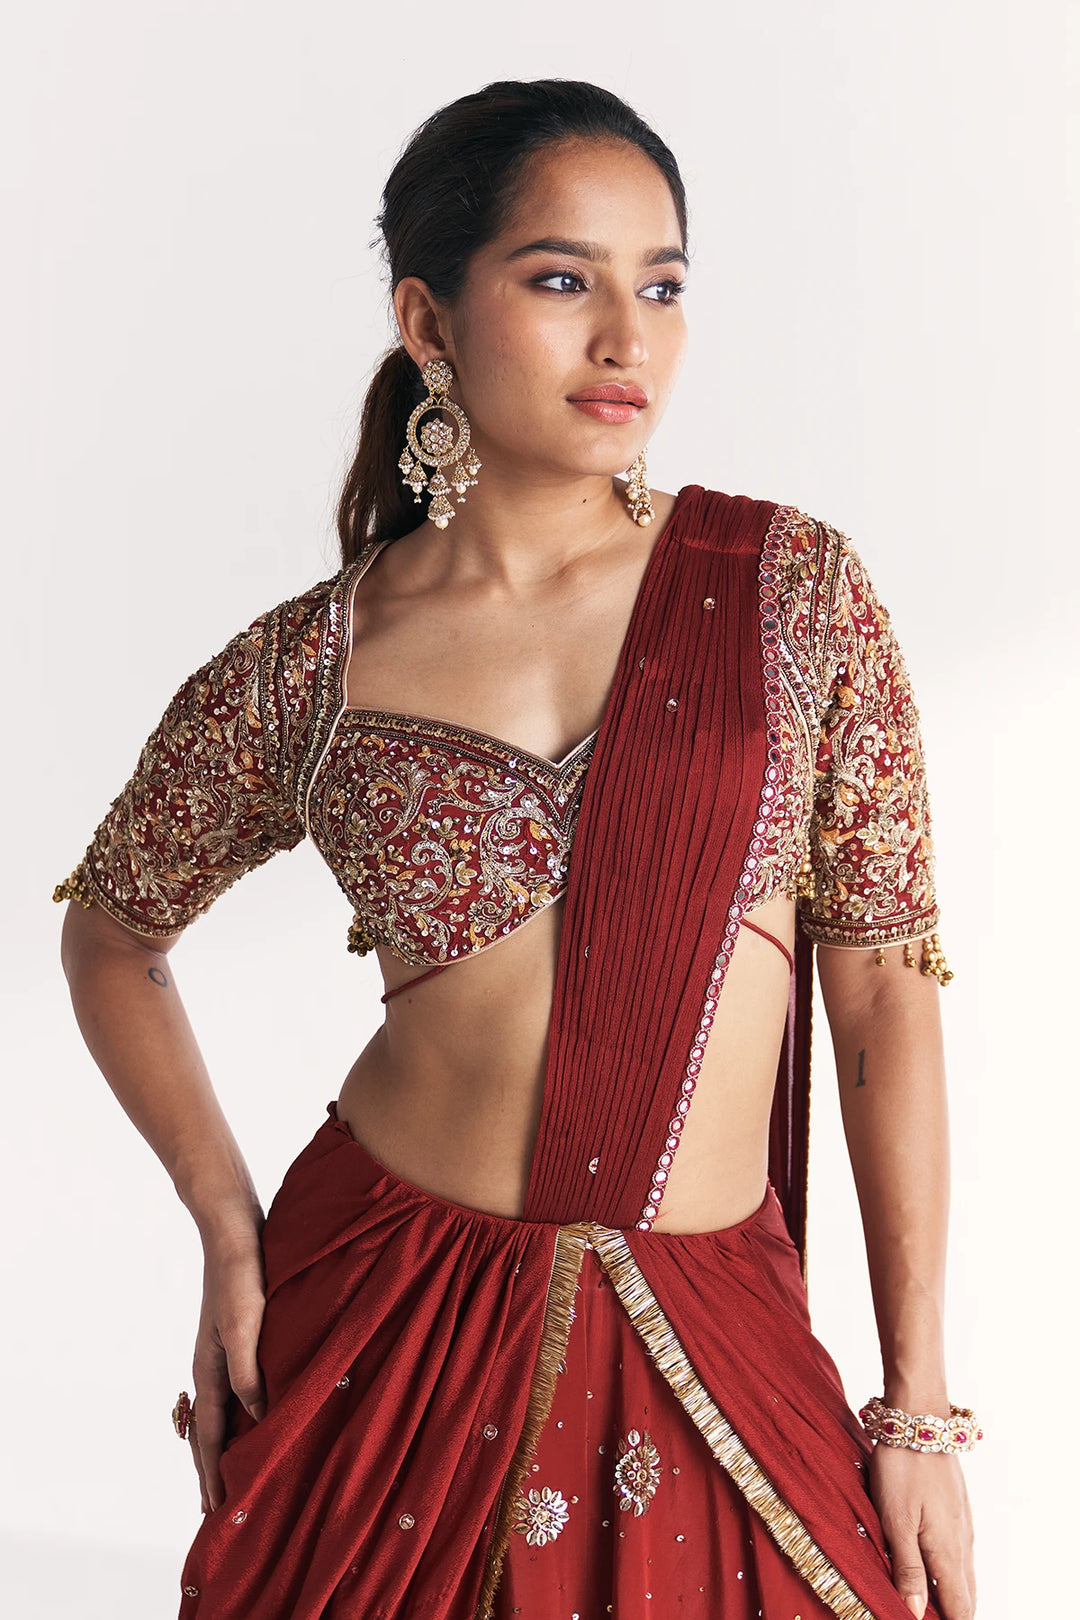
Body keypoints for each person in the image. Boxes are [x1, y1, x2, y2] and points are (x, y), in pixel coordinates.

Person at [54, 78, 978, 1620]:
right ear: (428, 317)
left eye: (662, 286)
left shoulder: (791, 596)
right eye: (563, 280)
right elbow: (114, 930)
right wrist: (227, 1227)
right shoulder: (316, 668)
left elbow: (883, 996)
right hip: (384, 1328)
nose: (629, 339)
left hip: (719, 1338)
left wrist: (920, 1403)